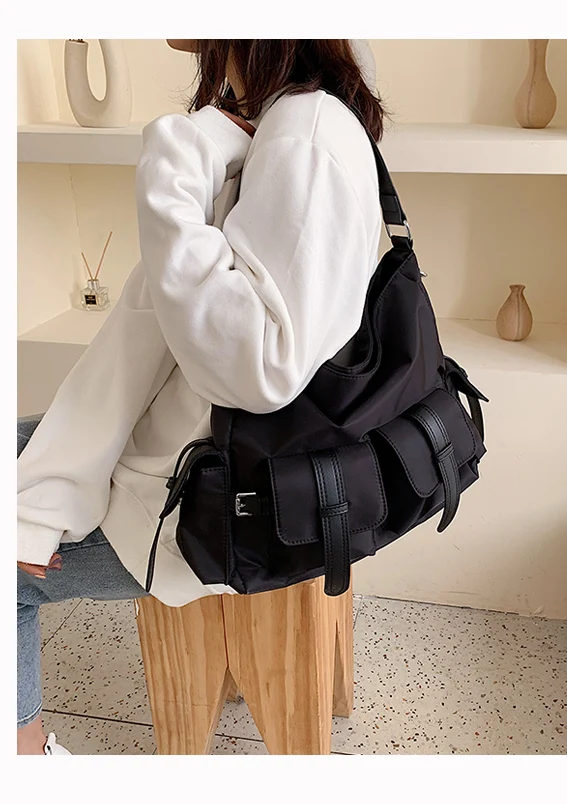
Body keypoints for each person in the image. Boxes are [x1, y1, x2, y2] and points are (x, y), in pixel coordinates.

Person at [17, 39, 385, 755]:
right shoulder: (279, 117)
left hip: (198, 497)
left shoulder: (302, 135)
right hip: (182, 448)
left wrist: (175, 162)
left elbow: (257, 369)